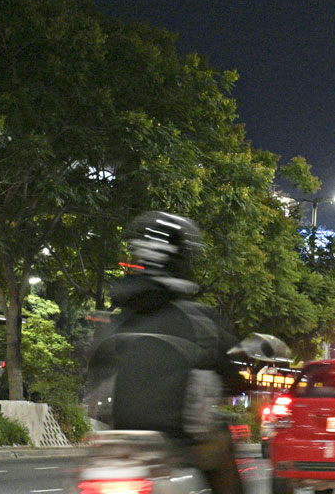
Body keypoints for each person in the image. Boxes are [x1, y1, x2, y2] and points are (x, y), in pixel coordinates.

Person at [88, 212, 247, 494]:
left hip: (119, 441)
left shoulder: (118, 319)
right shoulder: (199, 322)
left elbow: (93, 367)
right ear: (184, 258)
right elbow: (233, 377)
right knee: (223, 446)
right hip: (177, 442)